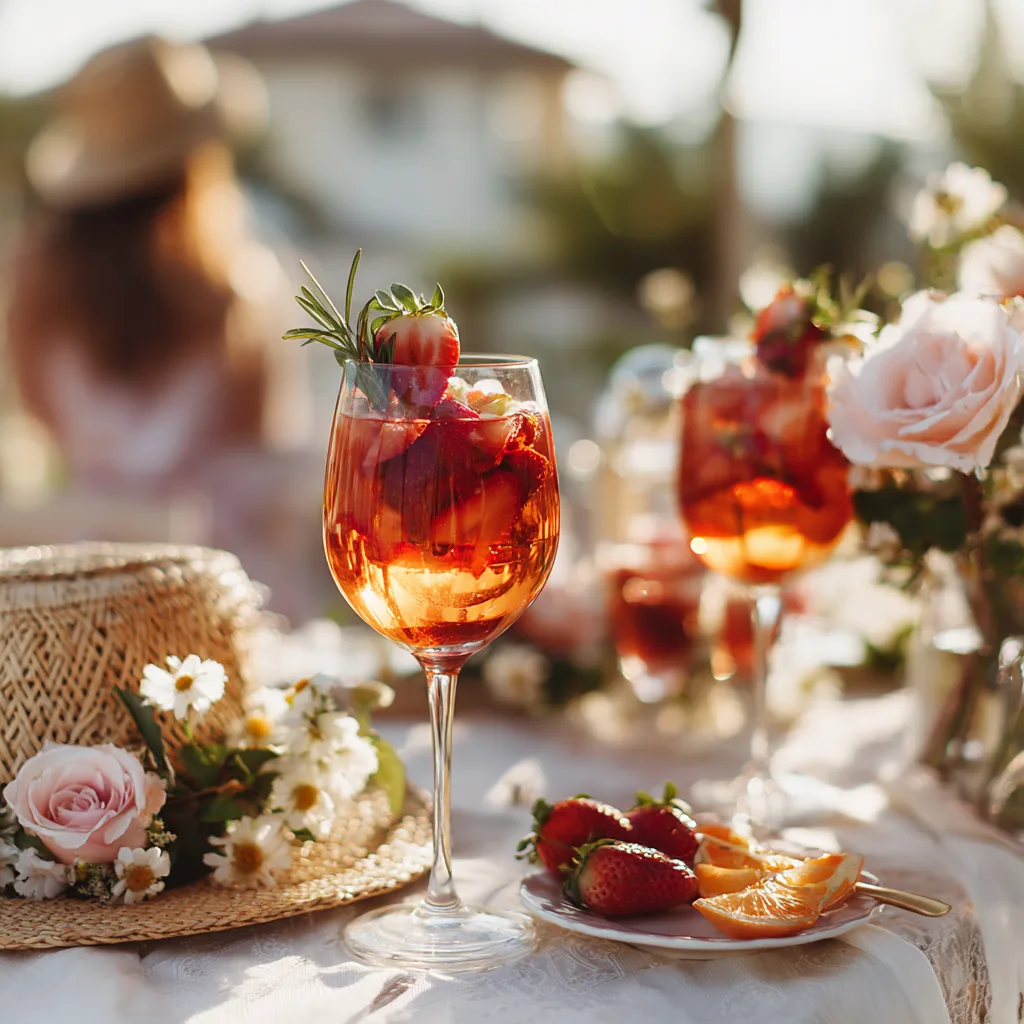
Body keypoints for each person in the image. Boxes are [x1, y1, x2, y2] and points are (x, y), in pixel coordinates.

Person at [6, 34, 309, 496]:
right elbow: (268, 450)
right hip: (213, 561)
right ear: (195, 167)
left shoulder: (36, 285)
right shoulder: (243, 290)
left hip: (87, 554)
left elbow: (41, 419)